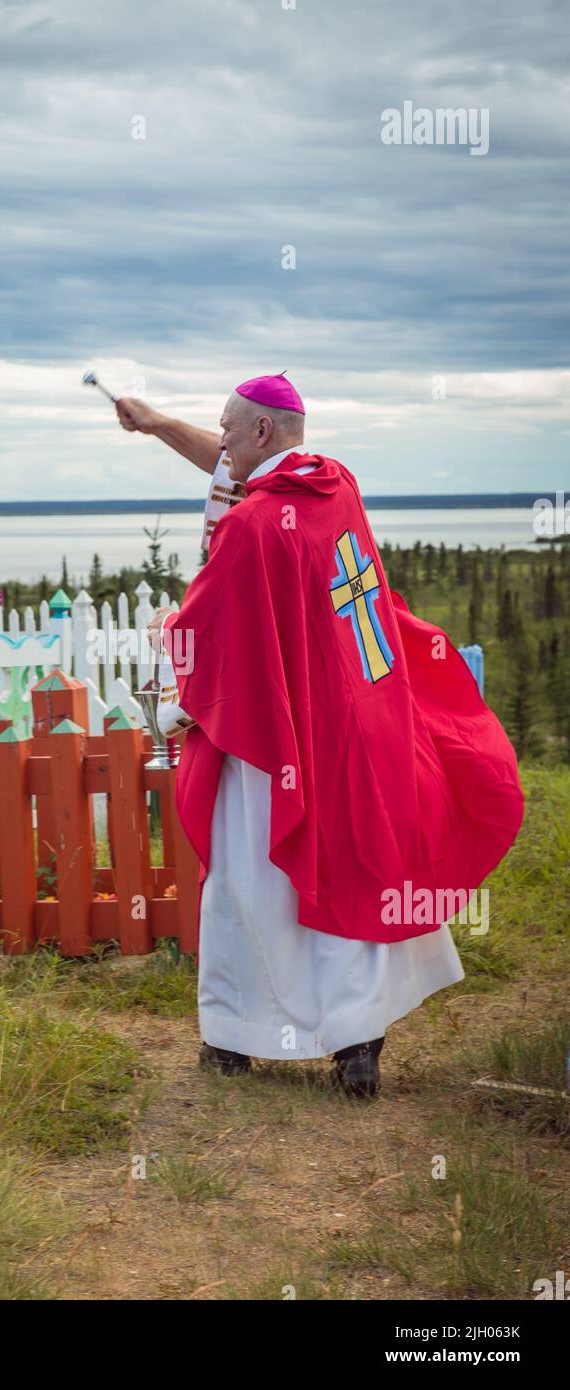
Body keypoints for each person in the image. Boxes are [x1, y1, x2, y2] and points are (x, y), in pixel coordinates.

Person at [116, 375, 524, 1097]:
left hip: (276, 741)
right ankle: (358, 1044)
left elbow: (211, 634)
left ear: (264, 434)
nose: (223, 446)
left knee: (255, 881)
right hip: (356, 721)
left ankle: (236, 1041)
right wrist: (154, 424)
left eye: (230, 431)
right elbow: (241, 478)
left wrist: (162, 633)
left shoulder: (247, 529)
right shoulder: (335, 489)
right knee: (354, 870)